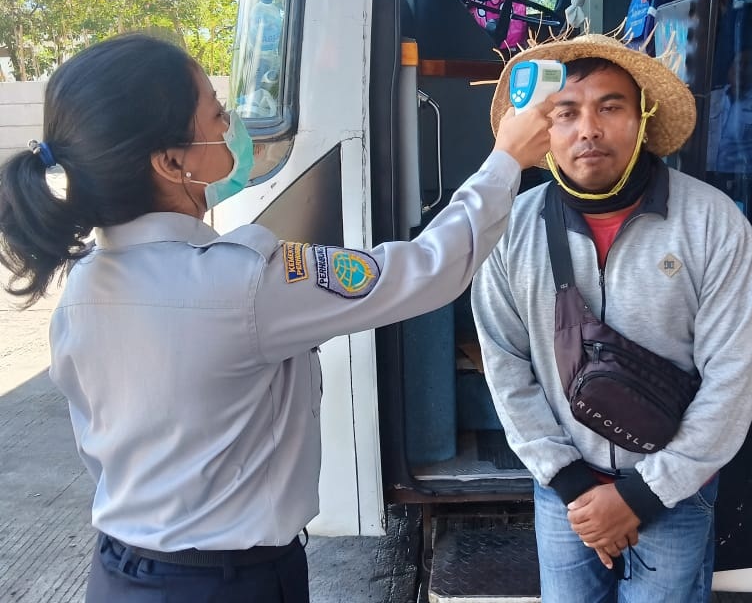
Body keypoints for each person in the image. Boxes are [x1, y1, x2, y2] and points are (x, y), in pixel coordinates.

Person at [0, 33, 553, 603]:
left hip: (121, 571)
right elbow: (427, 270)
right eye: (217, 113)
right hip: (228, 585)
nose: (231, 126)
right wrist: (507, 159)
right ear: (170, 162)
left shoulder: (82, 288)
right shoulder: (242, 282)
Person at [472, 33, 752, 602]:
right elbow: (505, 365)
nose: (588, 129)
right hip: (566, 497)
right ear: (543, 128)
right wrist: (571, 482)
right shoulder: (509, 230)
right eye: (566, 112)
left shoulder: (713, 223)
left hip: (678, 492)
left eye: (610, 107)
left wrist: (644, 495)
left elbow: (734, 374)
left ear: (642, 119)